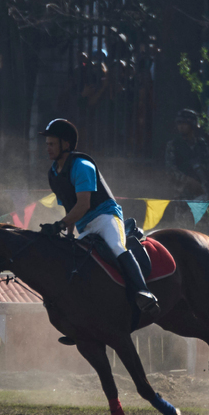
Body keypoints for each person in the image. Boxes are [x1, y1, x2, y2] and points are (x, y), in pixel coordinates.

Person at [37, 118, 160, 340]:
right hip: (85, 226)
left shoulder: (82, 166)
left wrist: (59, 225)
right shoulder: (53, 173)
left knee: (116, 246)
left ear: (66, 144)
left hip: (106, 216)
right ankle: (79, 323)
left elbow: (83, 204)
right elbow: (69, 206)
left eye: (51, 144)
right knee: (77, 266)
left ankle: (144, 293)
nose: (47, 148)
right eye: (47, 144)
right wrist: (68, 234)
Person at [165, 108, 209, 202]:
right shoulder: (174, 145)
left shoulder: (201, 145)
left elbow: (208, 169)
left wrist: (207, 188)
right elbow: (171, 170)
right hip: (182, 195)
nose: (181, 126)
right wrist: (188, 181)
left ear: (192, 124)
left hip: (202, 195)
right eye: (179, 123)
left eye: (184, 123)